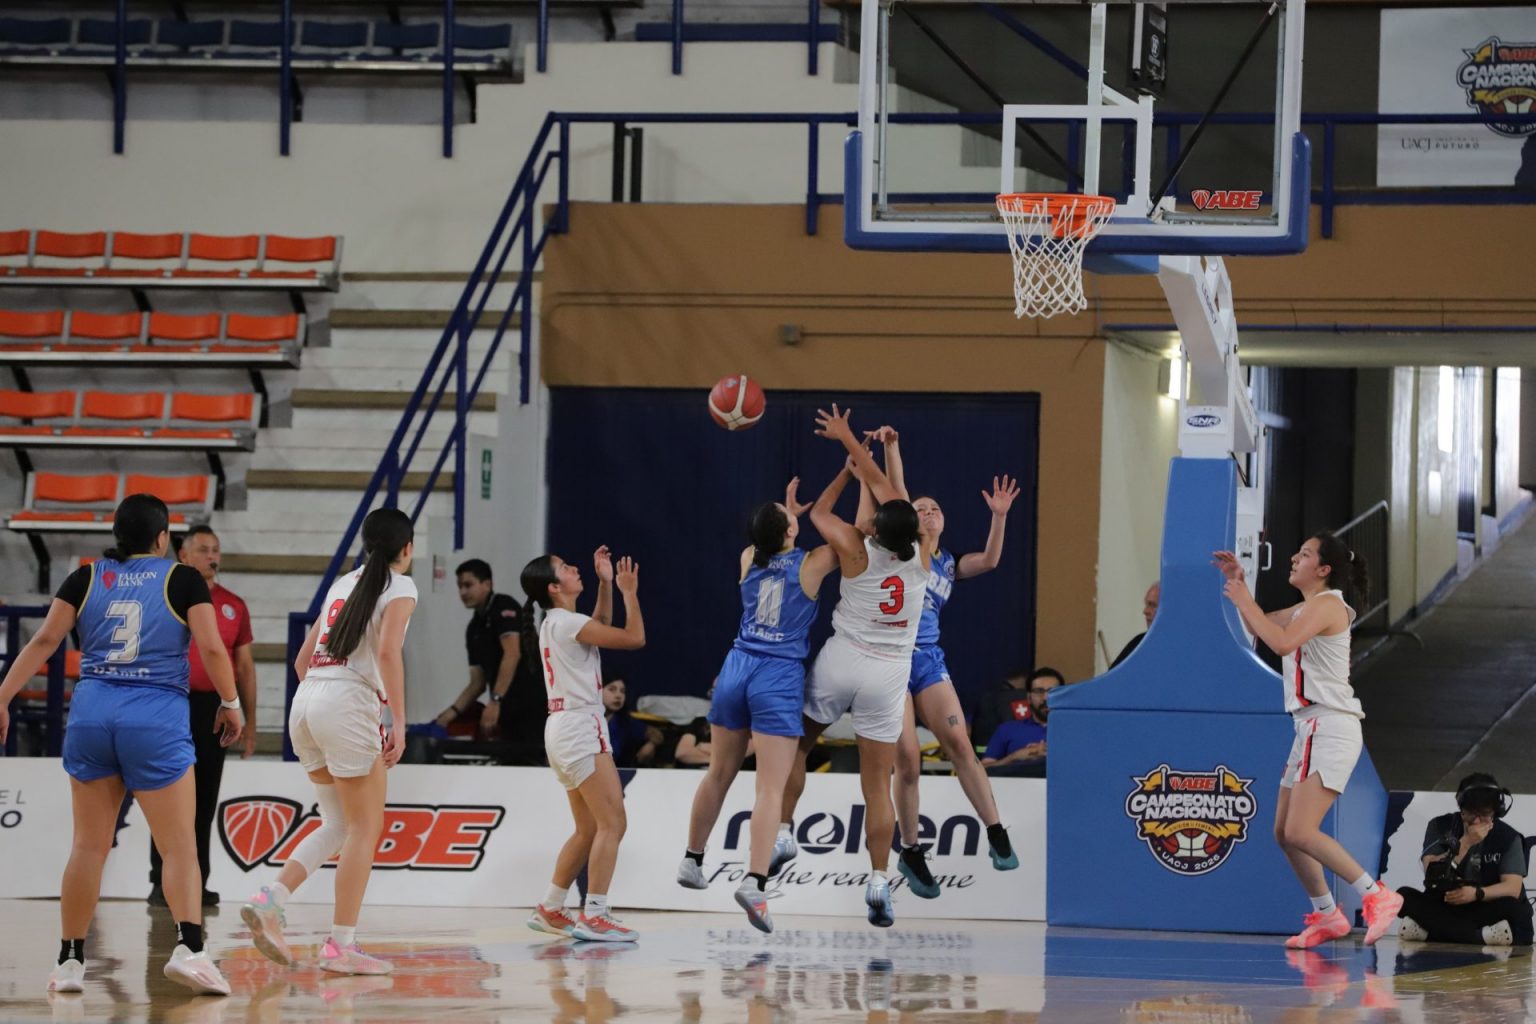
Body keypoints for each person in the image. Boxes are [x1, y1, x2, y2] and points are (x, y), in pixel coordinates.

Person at [0, 493, 244, 995]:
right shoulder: (182, 578)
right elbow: (212, 646)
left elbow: (44, 640)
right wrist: (231, 701)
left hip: (91, 715)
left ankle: (69, 961)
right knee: (179, 846)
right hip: (154, 717)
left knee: (88, 846)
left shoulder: (85, 577)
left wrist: (2, 697)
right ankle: (191, 950)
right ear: (163, 538)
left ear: (117, 536)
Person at [241, 507, 417, 976]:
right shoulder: (401, 586)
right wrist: (399, 721)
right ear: (407, 549)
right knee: (365, 829)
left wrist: (326, 703)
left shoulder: (342, 584)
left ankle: (270, 899)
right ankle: (341, 945)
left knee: (337, 823)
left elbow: (302, 660)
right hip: (346, 701)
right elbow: (387, 652)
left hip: (307, 700)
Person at [779, 404, 928, 928]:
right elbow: (894, 494)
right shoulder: (922, 554)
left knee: (797, 745)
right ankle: (879, 879)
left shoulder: (854, 547)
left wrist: (848, 447)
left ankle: (783, 831)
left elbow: (821, 514)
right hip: (889, 674)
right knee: (876, 786)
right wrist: (878, 454)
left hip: (843, 658)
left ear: (874, 528)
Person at [1215, 533, 1401, 948]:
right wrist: (1239, 586)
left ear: (1323, 569)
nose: (1294, 559)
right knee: (1284, 832)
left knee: (1301, 830)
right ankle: (1327, 914)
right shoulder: (1306, 608)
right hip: (1309, 726)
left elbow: (1281, 642)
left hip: (1330, 725)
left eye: (1304, 554)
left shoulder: (1329, 604)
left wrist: (1244, 600)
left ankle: (1376, 895)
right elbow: (1260, 627)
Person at [675, 478, 839, 933]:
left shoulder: (748, 557)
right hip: (777, 675)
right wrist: (851, 473)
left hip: (736, 667)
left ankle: (692, 859)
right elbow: (854, 534)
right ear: (789, 531)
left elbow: (770, 542)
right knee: (770, 789)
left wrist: (786, 520)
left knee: (718, 774)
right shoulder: (811, 564)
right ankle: (755, 882)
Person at [866, 425, 1021, 899]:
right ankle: (911, 850)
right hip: (890, 660)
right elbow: (897, 490)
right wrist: (892, 447)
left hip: (928, 661)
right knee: (908, 761)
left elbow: (989, 561)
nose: (928, 511)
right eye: (920, 508)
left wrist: (998, 517)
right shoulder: (903, 551)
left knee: (958, 742)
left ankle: (996, 831)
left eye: (935, 507)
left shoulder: (949, 563)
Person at [523, 546, 646, 943]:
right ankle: (594, 914)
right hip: (579, 726)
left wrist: (606, 584)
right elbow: (634, 638)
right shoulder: (567, 623)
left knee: (588, 827)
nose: (575, 568)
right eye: (565, 567)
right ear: (554, 587)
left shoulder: (558, 622)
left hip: (562, 727)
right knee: (614, 823)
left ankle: (551, 906)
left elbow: (599, 625)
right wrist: (629, 592)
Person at [148, 524, 256, 908]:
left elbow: (245, 667)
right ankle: (161, 881)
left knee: (204, 799)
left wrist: (249, 721)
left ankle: (198, 881)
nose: (212, 556)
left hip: (214, 709)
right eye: (203, 549)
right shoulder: (165, 597)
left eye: (216, 550)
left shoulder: (233, 605)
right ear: (183, 555)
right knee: (167, 795)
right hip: (171, 703)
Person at [1396, 773, 1533, 946]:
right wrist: (1466, 842)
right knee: (1403, 896)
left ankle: (1432, 932)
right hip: (1448, 903)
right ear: (1461, 808)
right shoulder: (1440, 826)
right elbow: (1432, 875)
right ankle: (1481, 937)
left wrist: (1477, 894)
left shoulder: (1508, 837)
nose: (1476, 821)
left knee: (1515, 910)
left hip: (1485, 905)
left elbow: (1512, 888)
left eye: (1484, 814)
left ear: (1495, 811)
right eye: (1470, 814)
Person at [437, 559, 543, 762]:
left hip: (533, 705)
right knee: (511, 764)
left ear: (487, 584)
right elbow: (477, 683)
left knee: (532, 763)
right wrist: (450, 713)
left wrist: (495, 701)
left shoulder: (503, 606)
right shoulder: (474, 628)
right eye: (459, 586)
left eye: (468, 585)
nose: (462, 592)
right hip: (508, 711)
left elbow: (512, 654)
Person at [980, 667, 1060, 775]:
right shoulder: (1007, 729)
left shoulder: (1075, 730)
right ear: (1029, 698)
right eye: (1039, 691)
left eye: (1053, 692)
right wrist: (1014, 757)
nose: (1046, 697)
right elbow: (982, 770)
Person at [602, 675, 659, 768]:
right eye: (612, 690)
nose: (618, 696)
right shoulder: (584, 720)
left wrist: (651, 744)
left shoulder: (626, 722)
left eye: (622, 691)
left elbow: (656, 735)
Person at [1110, 581, 1159, 668]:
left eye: (1152, 605)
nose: (1145, 611)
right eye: (1146, 604)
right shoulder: (1138, 642)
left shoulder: (1180, 648)